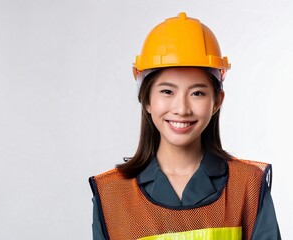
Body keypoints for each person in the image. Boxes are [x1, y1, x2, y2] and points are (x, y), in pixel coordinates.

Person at [89, 12, 281, 240]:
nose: (182, 108)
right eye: (167, 91)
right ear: (147, 99)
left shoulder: (247, 186)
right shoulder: (112, 194)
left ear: (217, 101)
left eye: (197, 93)